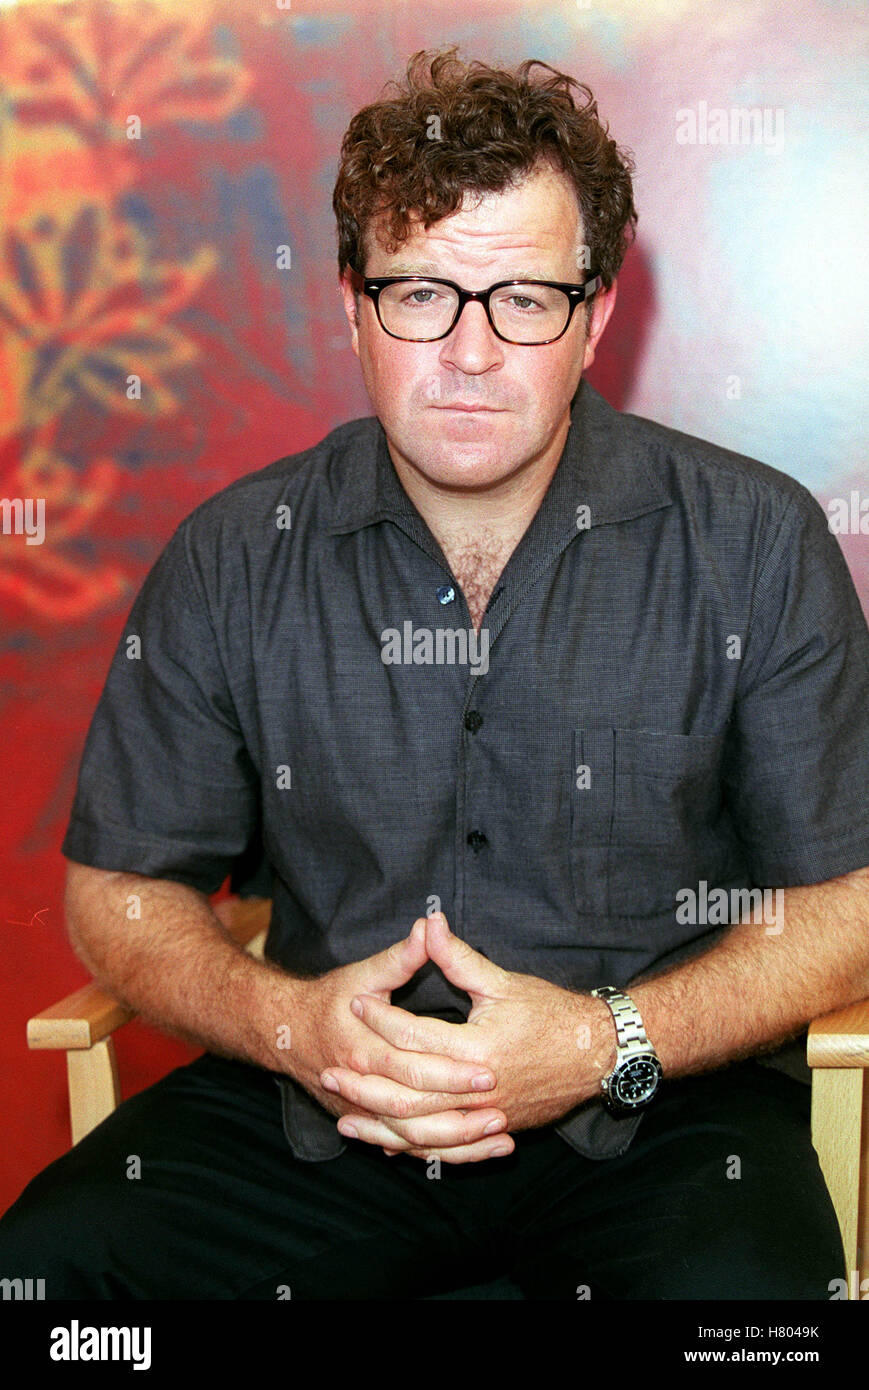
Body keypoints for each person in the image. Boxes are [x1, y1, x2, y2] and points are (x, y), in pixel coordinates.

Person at [1, 48, 867, 1301]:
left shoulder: (752, 538)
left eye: (523, 296)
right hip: (313, 1106)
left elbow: (846, 906)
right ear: (350, 306)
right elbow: (118, 888)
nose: (468, 350)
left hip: (660, 1112)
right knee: (47, 1289)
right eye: (420, 294)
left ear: (595, 316)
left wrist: (594, 1041)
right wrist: (286, 1026)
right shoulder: (234, 554)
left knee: (750, 1326)